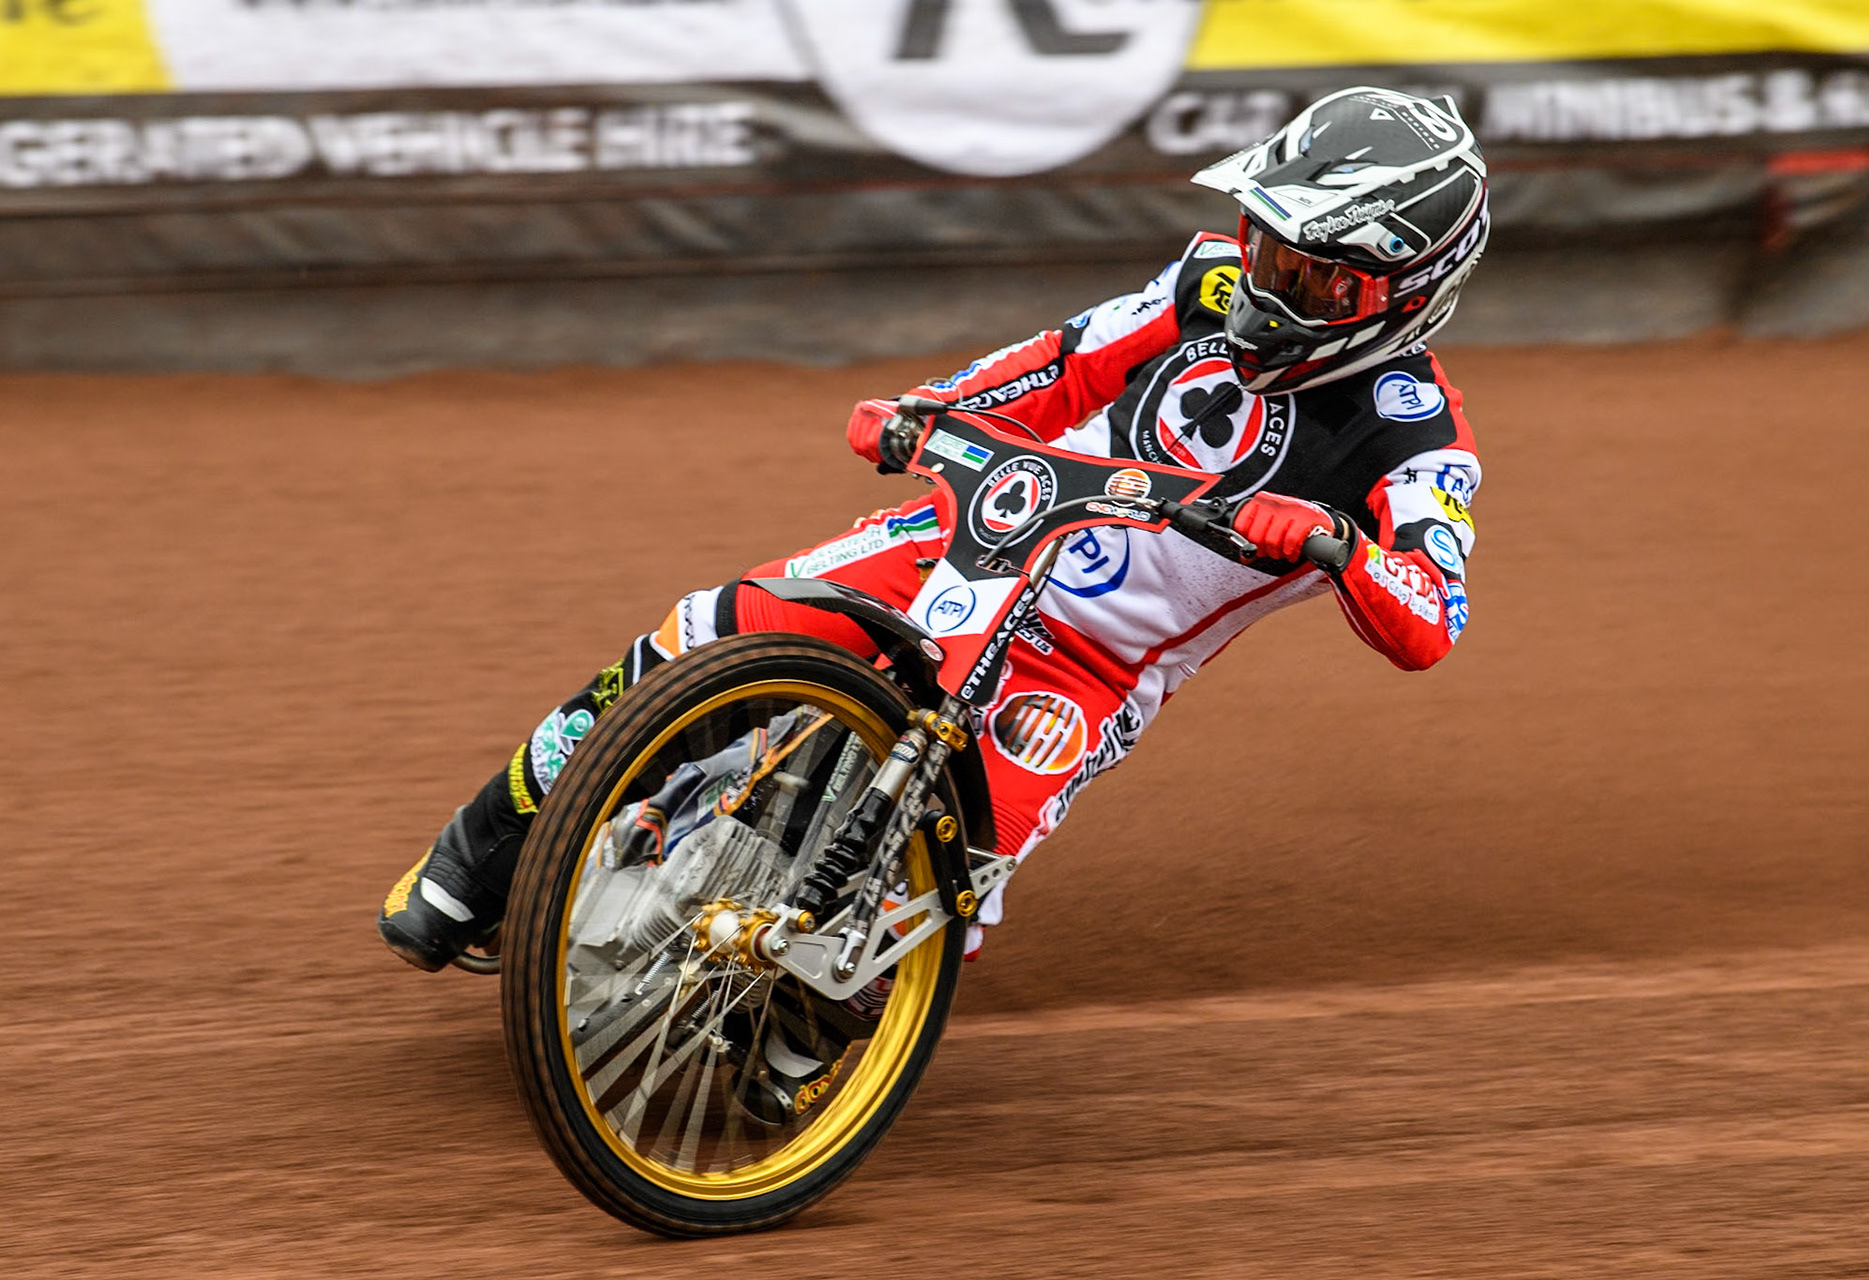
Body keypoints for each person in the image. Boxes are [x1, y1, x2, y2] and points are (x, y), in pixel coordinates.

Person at [379, 85, 1487, 990]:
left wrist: (1340, 545)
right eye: (1266, 240)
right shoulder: (1202, 279)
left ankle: (821, 1044)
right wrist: (928, 407)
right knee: (698, 634)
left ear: (1403, 291)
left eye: (1308, 270)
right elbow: (1060, 364)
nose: (1267, 277)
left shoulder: (1419, 440)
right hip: (968, 537)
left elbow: (1432, 615)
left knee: (942, 896)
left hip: (1087, 666)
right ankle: (474, 857)